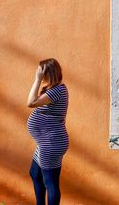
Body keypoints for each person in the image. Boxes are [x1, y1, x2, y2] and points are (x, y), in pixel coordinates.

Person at [27, 58, 69, 205]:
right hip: (47, 142)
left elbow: (30, 102)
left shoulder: (57, 91)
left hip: (51, 143)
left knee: (50, 182)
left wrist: (37, 80)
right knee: (35, 174)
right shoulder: (54, 89)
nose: (39, 74)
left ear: (47, 73)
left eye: (41, 72)